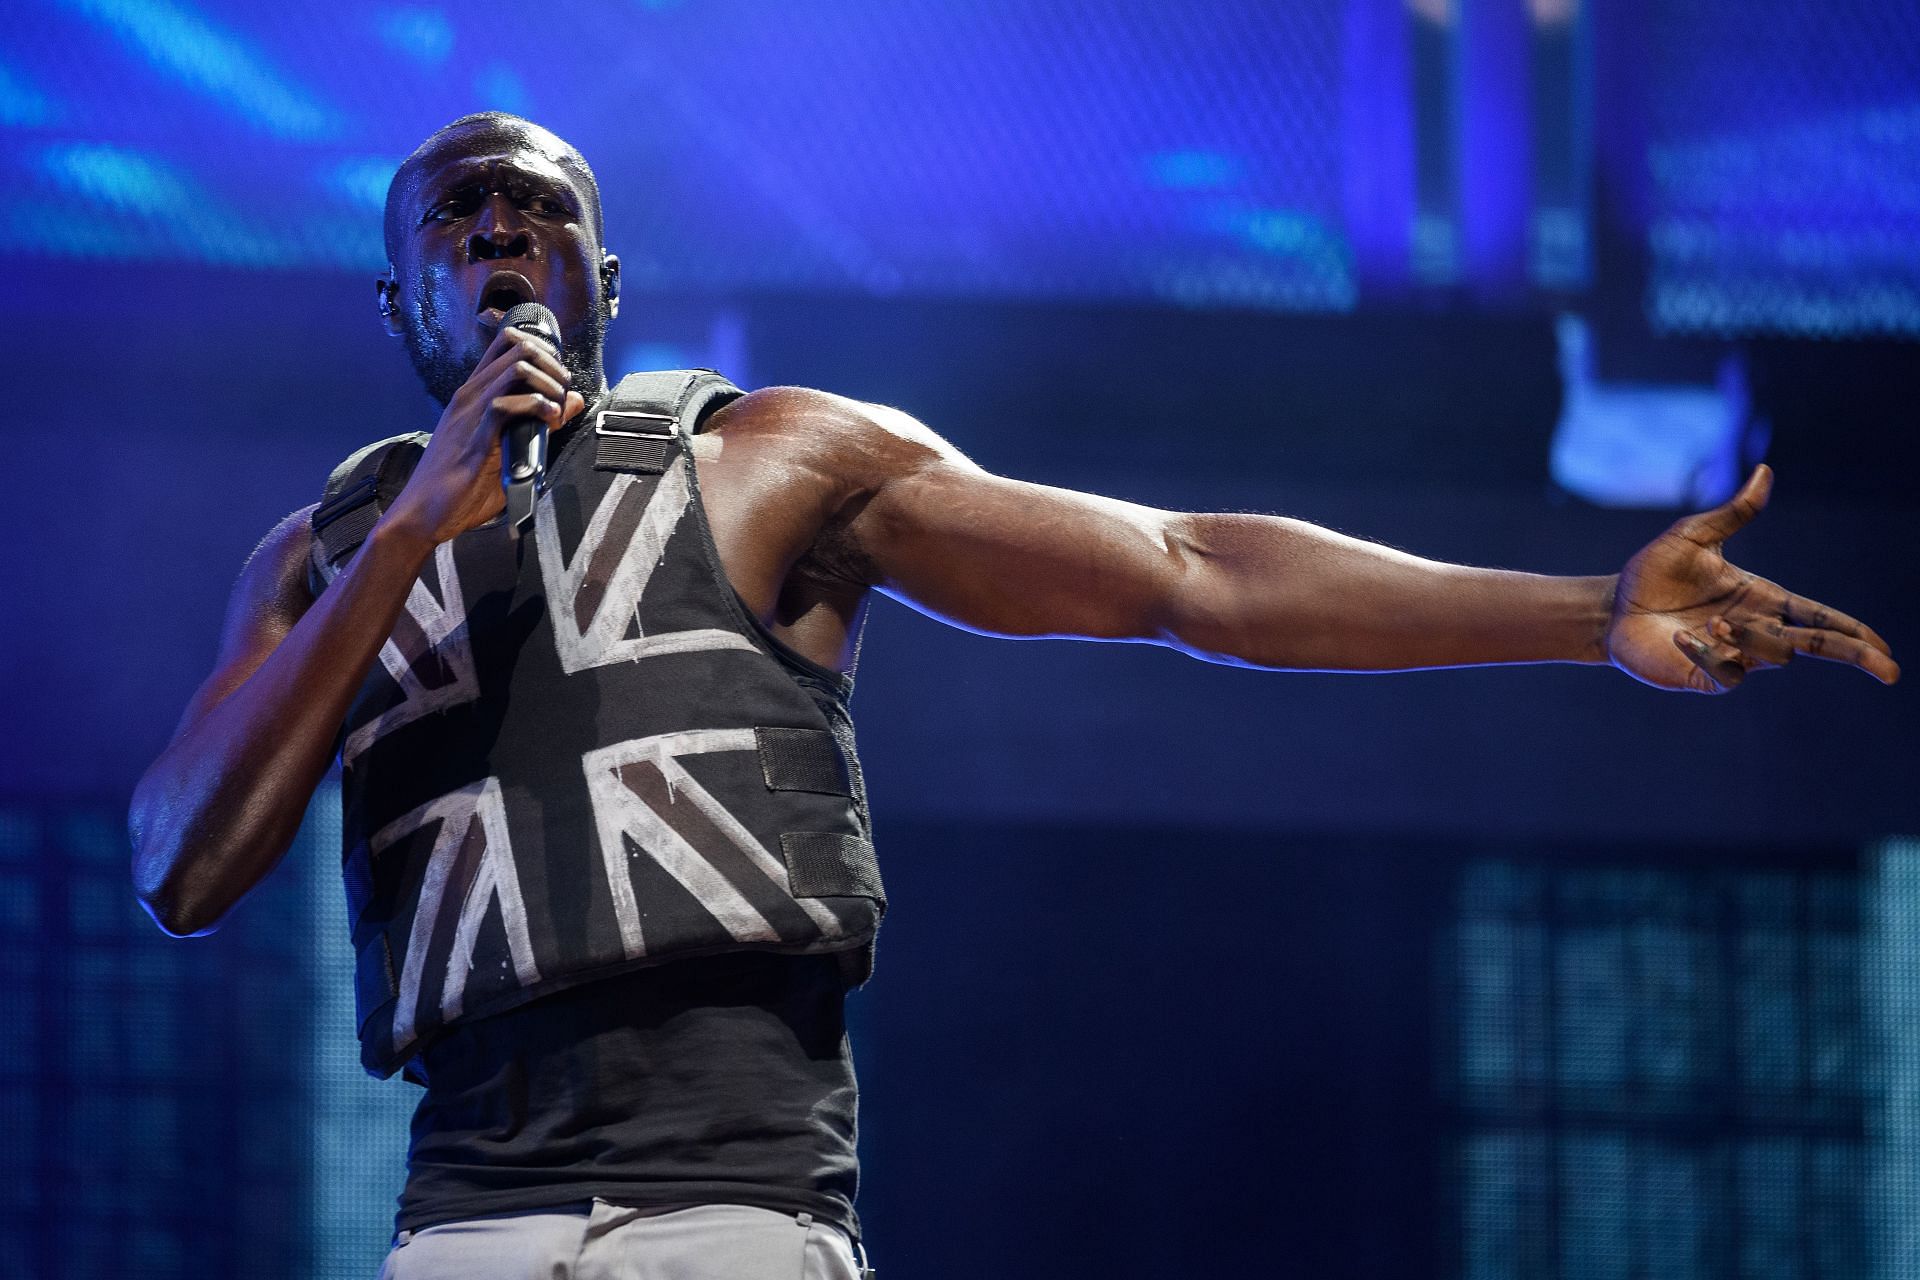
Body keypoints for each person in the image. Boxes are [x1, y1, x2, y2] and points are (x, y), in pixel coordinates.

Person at [126, 113, 1899, 1280]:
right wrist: (419, 525)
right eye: (460, 215)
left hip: (737, 1206)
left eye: (545, 212)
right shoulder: (319, 556)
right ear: (401, 293)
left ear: (608, 278)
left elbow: (1189, 569)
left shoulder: (770, 460)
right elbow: (180, 868)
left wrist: (1585, 606)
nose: (503, 233)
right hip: (465, 1222)